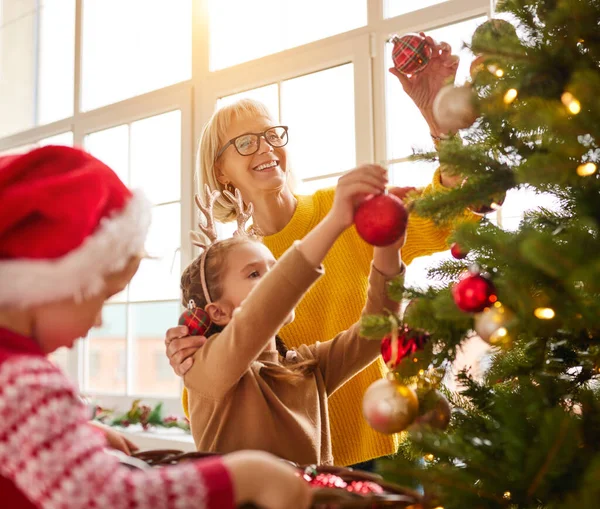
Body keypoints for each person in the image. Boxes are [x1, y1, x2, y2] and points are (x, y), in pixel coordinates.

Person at [167, 35, 469, 468]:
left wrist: (444, 121)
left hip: (379, 452)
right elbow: (212, 380)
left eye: (271, 135)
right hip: (283, 474)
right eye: (246, 143)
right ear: (221, 170)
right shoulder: (227, 264)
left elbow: (450, 218)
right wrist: (187, 353)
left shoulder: (344, 210)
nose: (267, 148)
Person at [0, 146, 311, 509]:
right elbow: (106, 500)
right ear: (50, 282)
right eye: (101, 297)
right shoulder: (26, 381)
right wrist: (244, 476)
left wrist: (72, 437)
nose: (98, 320)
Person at [183, 165, 405, 465]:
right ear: (218, 312)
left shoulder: (306, 367)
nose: (272, 279)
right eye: (253, 274)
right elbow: (261, 311)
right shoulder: (206, 368)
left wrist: (388, 246)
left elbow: (379, 328)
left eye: (274, 269)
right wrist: (336, 220)